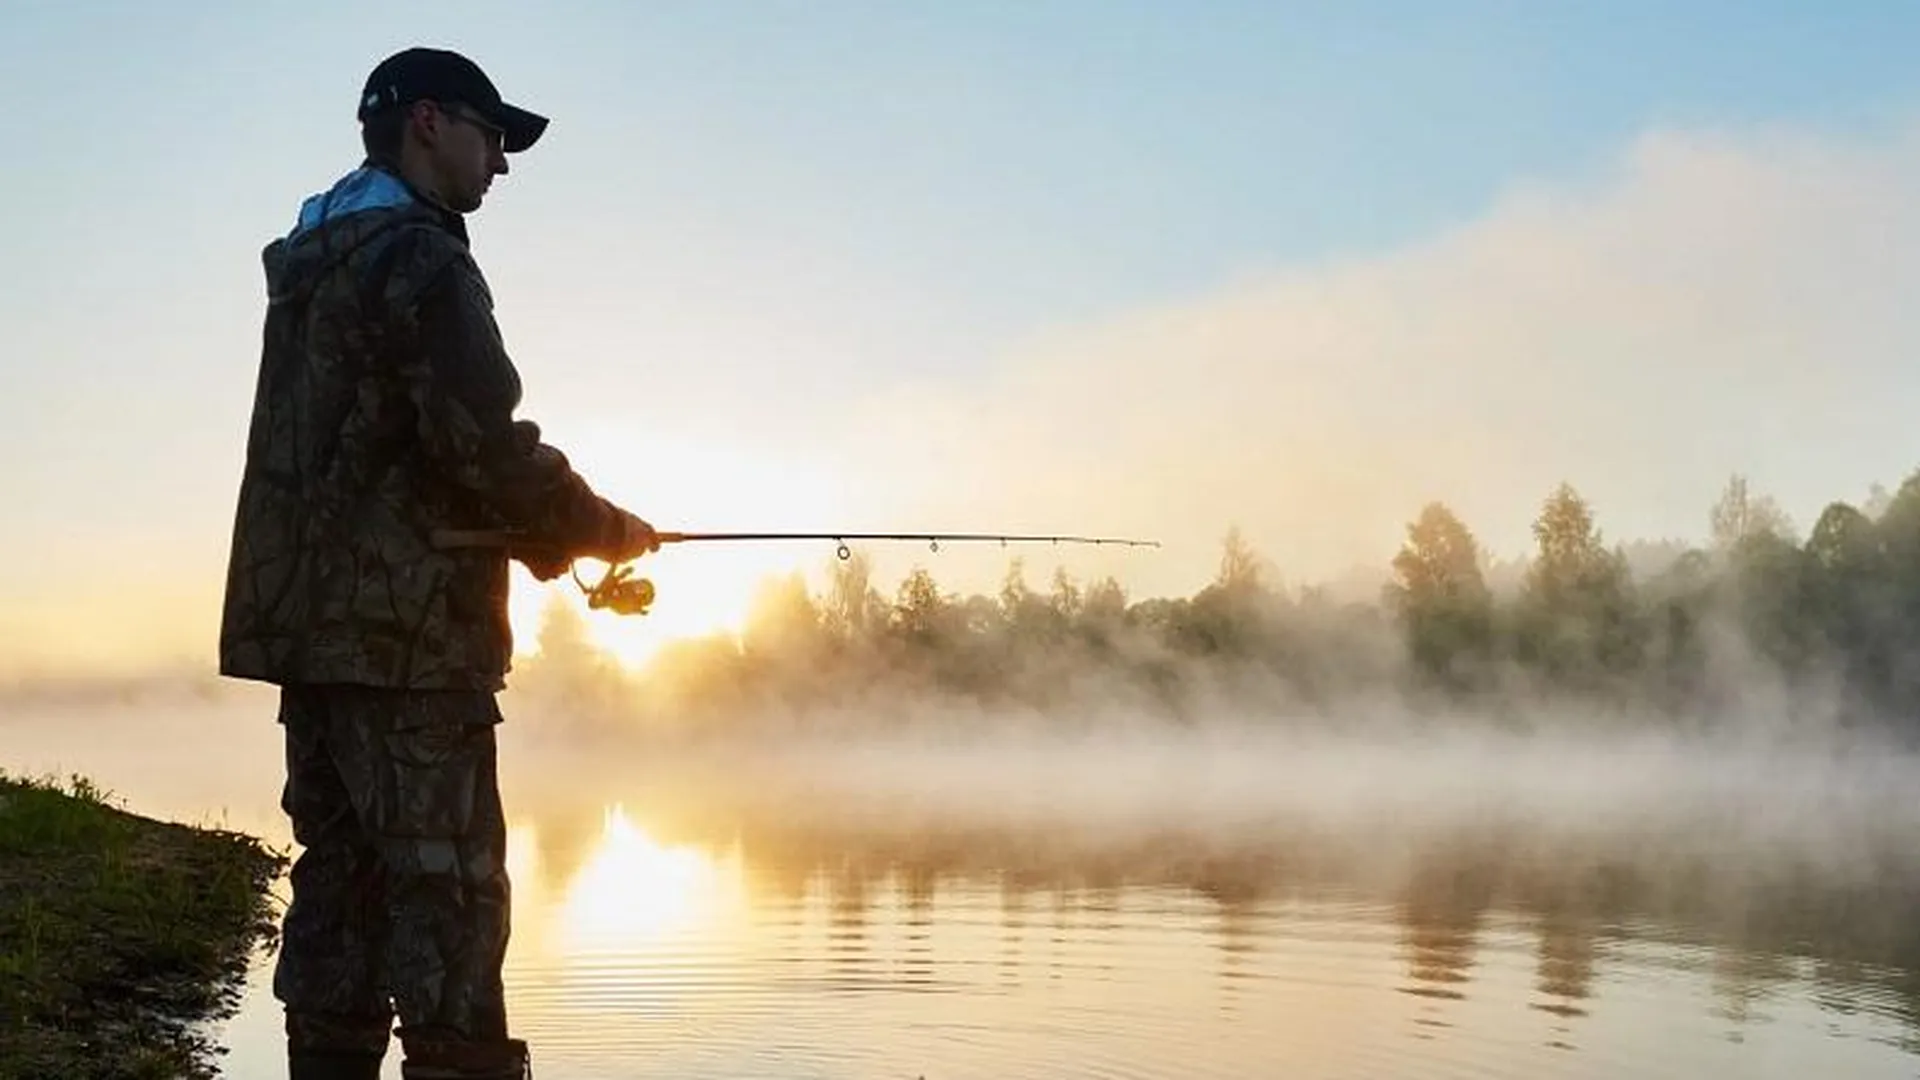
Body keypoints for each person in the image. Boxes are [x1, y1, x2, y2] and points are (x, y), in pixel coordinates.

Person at [217, 46, 657, 1080]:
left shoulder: (316, 262)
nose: (501, 164)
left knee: (343, 887)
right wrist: (597, 525)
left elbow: (384, 458)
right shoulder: (417, 255)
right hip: (412, 642)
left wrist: (547, 539)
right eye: (491, 135)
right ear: (427, 121)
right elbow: (481, 447)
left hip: (310, 634)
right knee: (450, 897)